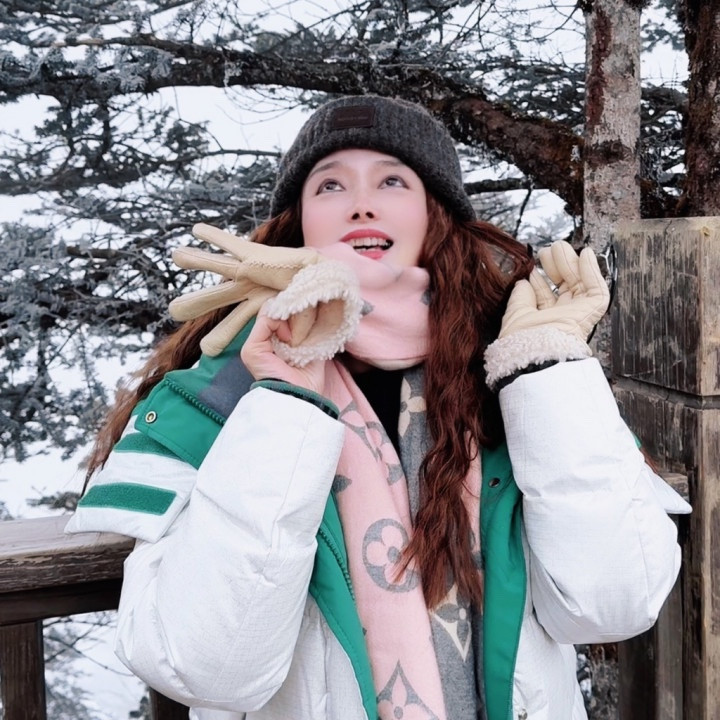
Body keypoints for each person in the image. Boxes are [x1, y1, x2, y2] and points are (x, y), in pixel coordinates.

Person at [66, 95, 690, 720]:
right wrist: (284, 401)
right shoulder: (217, 391)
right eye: (330, 185)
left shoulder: (509, 372)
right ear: (299, 222)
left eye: (392, 181)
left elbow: (613, 603)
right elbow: (206, 669)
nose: (361, 203)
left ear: (434, 212)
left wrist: (545, 368)